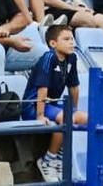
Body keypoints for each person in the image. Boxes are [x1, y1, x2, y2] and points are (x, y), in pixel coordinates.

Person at [24, 23, 89, 180]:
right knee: (66, 118)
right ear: (53, 43)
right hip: (34, 105)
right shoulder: (48, 58)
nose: (71, 42)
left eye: (72, 39)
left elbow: (74, 87)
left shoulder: (72, 58)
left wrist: (74, 110)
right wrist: (40, 115)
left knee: (86, 118)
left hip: (52, 105)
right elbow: (42, 88)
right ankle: (48, 160)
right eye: (66, 39)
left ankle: (59, 157)